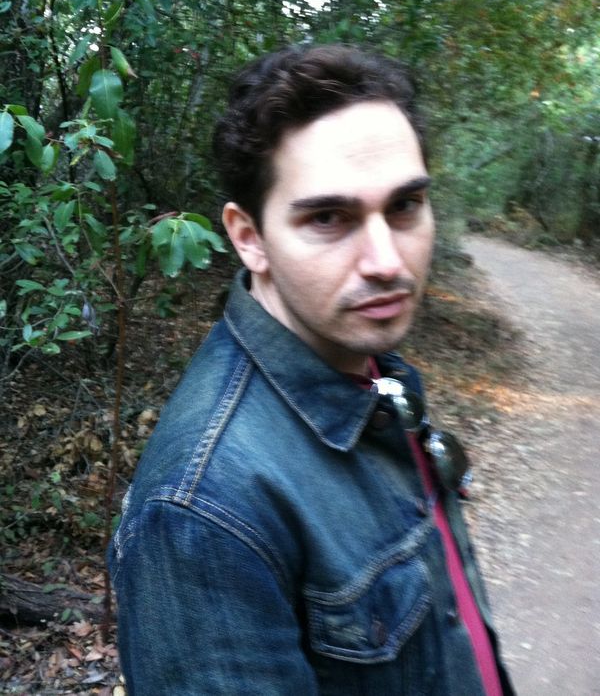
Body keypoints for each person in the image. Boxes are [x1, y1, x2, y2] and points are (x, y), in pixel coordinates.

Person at [108, 44, 515, 695]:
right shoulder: (203, 508)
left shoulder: (372, 373)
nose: (386, 259)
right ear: (249, 236)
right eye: (330, 217)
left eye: (405, 206)